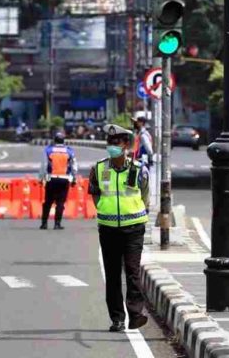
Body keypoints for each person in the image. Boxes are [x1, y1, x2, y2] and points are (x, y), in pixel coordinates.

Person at [88, 123, 150, 332]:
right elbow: (95, 192)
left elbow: (145, 194)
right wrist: (104, 209)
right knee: (112, 274)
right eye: (110, 142)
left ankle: (136, 314)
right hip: (108, 228)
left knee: (132, 272)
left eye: (117, 143)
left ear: (126, 145)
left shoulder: (138, 169)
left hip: (133, 228)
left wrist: (135, 210)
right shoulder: (98, 168)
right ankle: (117, 319)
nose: (113, 146)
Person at [40, 132, 78, 230]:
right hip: (64, 179)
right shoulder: (69, 151)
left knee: (48, 202)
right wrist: (74, 178)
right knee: (60, 202)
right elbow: (74, 166)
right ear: (63, 140)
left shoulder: (48, 150)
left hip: (51, 179)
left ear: (54, 140)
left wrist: (41, 178)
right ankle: (57, 224)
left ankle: (44, 223)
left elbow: (43, 166)